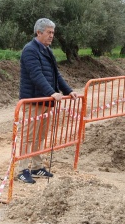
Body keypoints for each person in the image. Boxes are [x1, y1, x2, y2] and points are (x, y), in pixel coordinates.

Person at [15, 18, 79, 184]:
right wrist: (51, 92)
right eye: (49, 32)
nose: (52, 36)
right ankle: (21, 170)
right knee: (28, 136)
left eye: (53, 33)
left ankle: (36, 167)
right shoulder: (30, 50)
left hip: (45, 101)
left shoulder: (47, 50)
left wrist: (68, 91)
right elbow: (36, 75)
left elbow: (56, 74)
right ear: (39, 32)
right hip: (33, 101)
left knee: (40, 136)